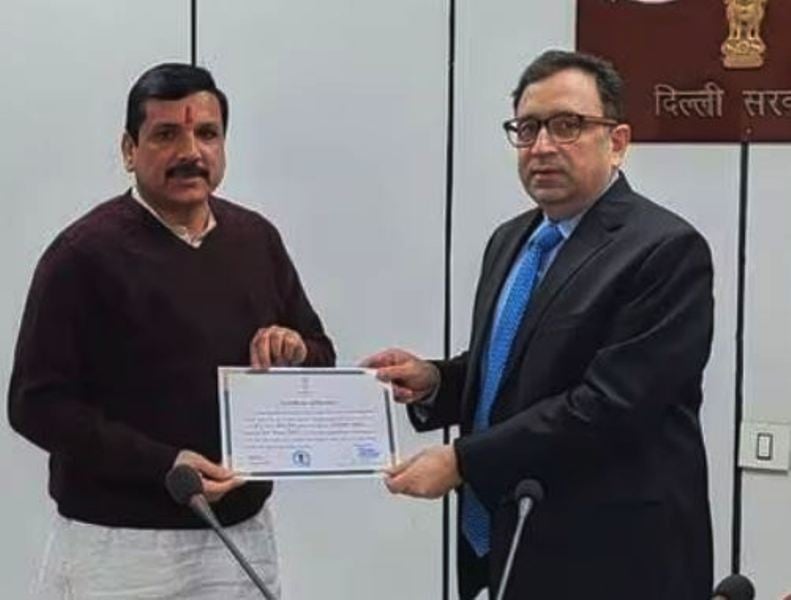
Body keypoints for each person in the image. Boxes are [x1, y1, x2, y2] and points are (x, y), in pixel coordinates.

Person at [364, 50, 713, 600]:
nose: (543, 146)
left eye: (567, 125)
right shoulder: (511, 240)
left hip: (614, 558)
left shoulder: (665, 250)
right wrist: (436, 381)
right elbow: (517, 369)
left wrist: (462, 462)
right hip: (515, 541)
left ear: (617, 141)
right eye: (527, 129)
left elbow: (609, 406)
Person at [8, 62, 335, 599]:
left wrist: (295, 352)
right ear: (128, 149)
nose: (191, 152)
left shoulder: (257, 240)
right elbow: (35, 404)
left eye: (207, 134)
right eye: (166, 135)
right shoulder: (82, 256)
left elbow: (320, 354)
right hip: (119, 550)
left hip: (242, 538)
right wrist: (164, 464)